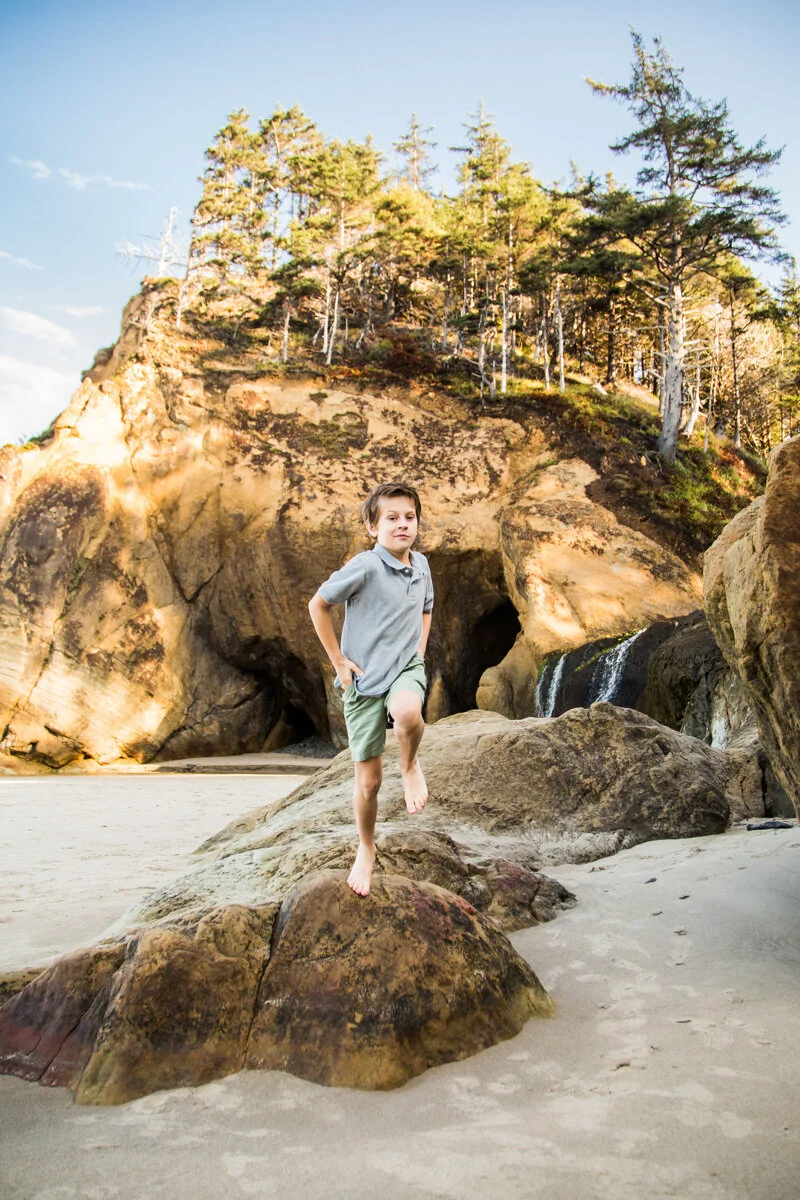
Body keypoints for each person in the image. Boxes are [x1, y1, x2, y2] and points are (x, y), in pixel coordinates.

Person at [308, 481, 433, 898]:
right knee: (368, 784)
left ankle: (410, 764)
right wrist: (338, 662)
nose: (402, 525)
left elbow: (427, 608)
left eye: (409, 517)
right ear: (372, 527)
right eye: (392, 518)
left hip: (404, 669)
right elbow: (318, 605)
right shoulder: (364, 566)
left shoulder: (423, 566)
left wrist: (418, 650)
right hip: (363, 683)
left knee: (409, 713)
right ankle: (366, 846)